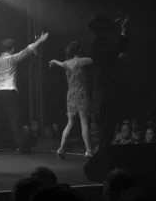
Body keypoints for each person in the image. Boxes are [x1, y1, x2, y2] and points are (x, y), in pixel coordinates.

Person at [0, 32, 49, 154]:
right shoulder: (11, 59)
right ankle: (21, 147)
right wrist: (41, 40)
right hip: (9, 93)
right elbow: (28, 49)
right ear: (12, 49)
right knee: (15, 121)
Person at [49, 40, 95, 158]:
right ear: (79, 50)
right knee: (84, 123)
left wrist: (53, 61)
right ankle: (89, 151)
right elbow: (97, 59)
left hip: (70, 95)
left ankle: (61, 149)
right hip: (81, 94)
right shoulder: (82, 61)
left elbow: (58, 63)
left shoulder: (66, 63)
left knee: (70, 122)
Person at [90, 15, 131, 149]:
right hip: (106, 86)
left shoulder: (102, 43)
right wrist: (123, 31)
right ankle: (103, 148)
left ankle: (103, 146)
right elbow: (118, 47)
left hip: (106, 85)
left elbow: (118, 47)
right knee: (107, 120)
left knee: (109, 121)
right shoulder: (101, 43)